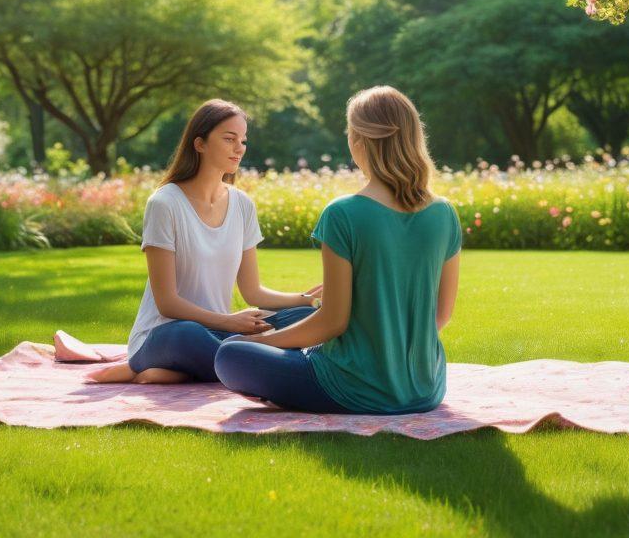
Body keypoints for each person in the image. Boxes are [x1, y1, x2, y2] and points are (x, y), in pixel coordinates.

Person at [212, 85, 463, 414]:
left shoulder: (343, 213)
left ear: (358, 141)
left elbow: (332, 322)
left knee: (230, 353)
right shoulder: (444, 213)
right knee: (293, 324)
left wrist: (259, 342)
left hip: (352, 388)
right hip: (426, 389)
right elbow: (440, 315)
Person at [87, 99, 322, 384]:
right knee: (187, 333)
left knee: (302, 318)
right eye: (229, 139)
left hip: (219, 333)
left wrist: (308, 300)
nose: (239, 148)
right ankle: (249, 360)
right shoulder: (165, 203)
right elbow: (167, 303)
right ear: (200, 144)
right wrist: (230, 321)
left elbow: (253, 292)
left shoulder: (242, 204)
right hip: (167, 334)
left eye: (243, 141)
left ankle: (191, 369)